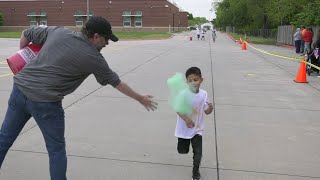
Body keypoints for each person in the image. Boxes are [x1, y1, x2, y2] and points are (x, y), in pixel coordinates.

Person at [0, 16, 157, 180]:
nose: (107, 43)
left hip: (19, 90)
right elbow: (117, 83)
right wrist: (140, 98)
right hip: (45, 103)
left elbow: (26, 33)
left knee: (4, 138)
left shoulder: (59, 32)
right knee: (56, 150)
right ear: (96, 36)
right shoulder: (94, 58)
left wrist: (24, 57)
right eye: (106, 39)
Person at [174, 67, 213, 180]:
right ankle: (183, 146)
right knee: (182, 151)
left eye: (195, 80)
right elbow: (178, 109)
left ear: (201, 80)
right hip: (184, 129)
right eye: (190, 81)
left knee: (198, 154)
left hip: (197, 129)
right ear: (187, 82)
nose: (193, 83)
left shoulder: (204, 94)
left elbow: (206, 111)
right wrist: (186, 119)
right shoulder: (183, 94)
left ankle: (195, 172)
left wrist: (210, 108)